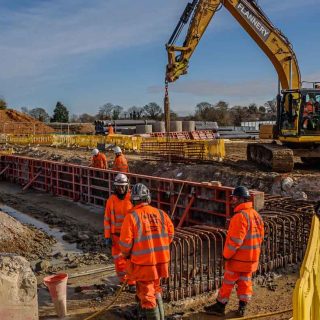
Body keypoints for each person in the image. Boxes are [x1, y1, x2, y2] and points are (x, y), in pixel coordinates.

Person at [205, 186, 264, 317]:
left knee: (228, 282)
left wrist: (226, 255)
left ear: (241, 199)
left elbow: (235, 242)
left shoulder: (240, 217)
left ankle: (220, 306)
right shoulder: (256, 215)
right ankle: (242, 307)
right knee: (245, 282)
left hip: (237, 259)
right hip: (251, 259)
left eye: (234, 198)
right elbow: (261, 236)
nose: (232, 201)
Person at [119, 183, 174, 320]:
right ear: (147, 197)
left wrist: (127, 255)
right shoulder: (161, 213)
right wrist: (160, 248)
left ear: (133, 200)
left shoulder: (131, 216)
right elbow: (170, 234)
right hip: (161, 261)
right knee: (156, 288)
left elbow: (125, 244)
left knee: (147, 295)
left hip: (144, 263)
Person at [104, 173, 136, 291]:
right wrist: (107, 236)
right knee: (119, 261)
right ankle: (123, 281)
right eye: (118, 186)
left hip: (129, 236)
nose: (121, 189)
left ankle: (132, 282)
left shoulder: (132, 198)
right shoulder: (111, 200)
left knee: (131, 260)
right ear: (115, 187)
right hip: (116, 237)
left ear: (127, 186)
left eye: (123, 186)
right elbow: (107, 219)